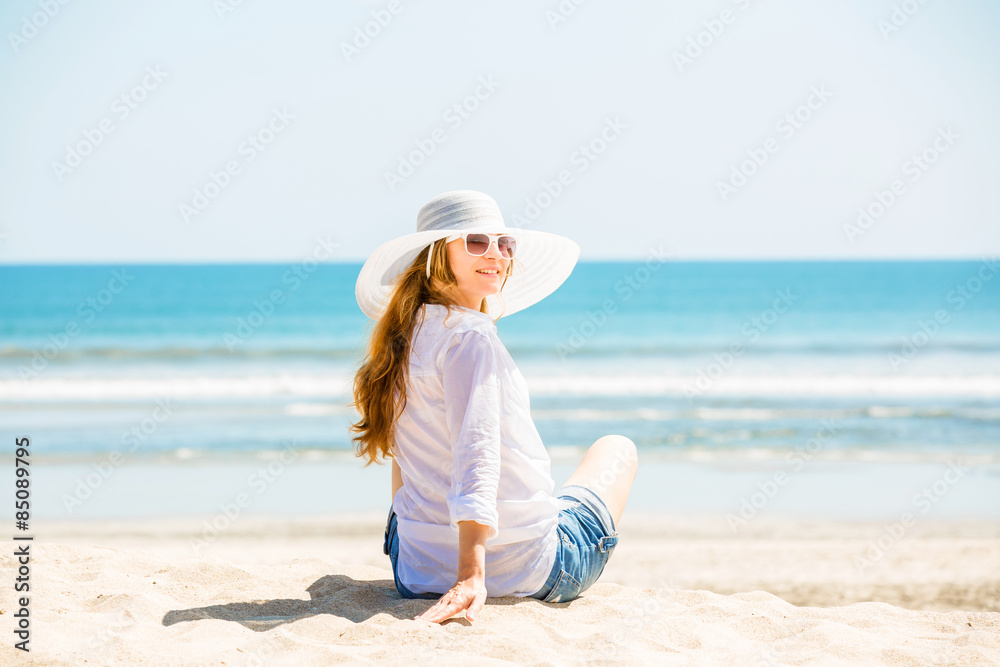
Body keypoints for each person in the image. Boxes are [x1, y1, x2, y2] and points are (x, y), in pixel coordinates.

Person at [349, 190, 638, 624]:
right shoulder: (470, 338)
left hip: (413, 571)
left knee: (413, 454)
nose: (497, 255)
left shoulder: (404, 335)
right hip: (526, 570)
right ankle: (473, 556)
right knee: (617, 449)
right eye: (476, 241)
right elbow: (477, 453)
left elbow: (404, 460)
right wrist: (469, 575)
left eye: (504, 244)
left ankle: (436, 545)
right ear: (434, 256)